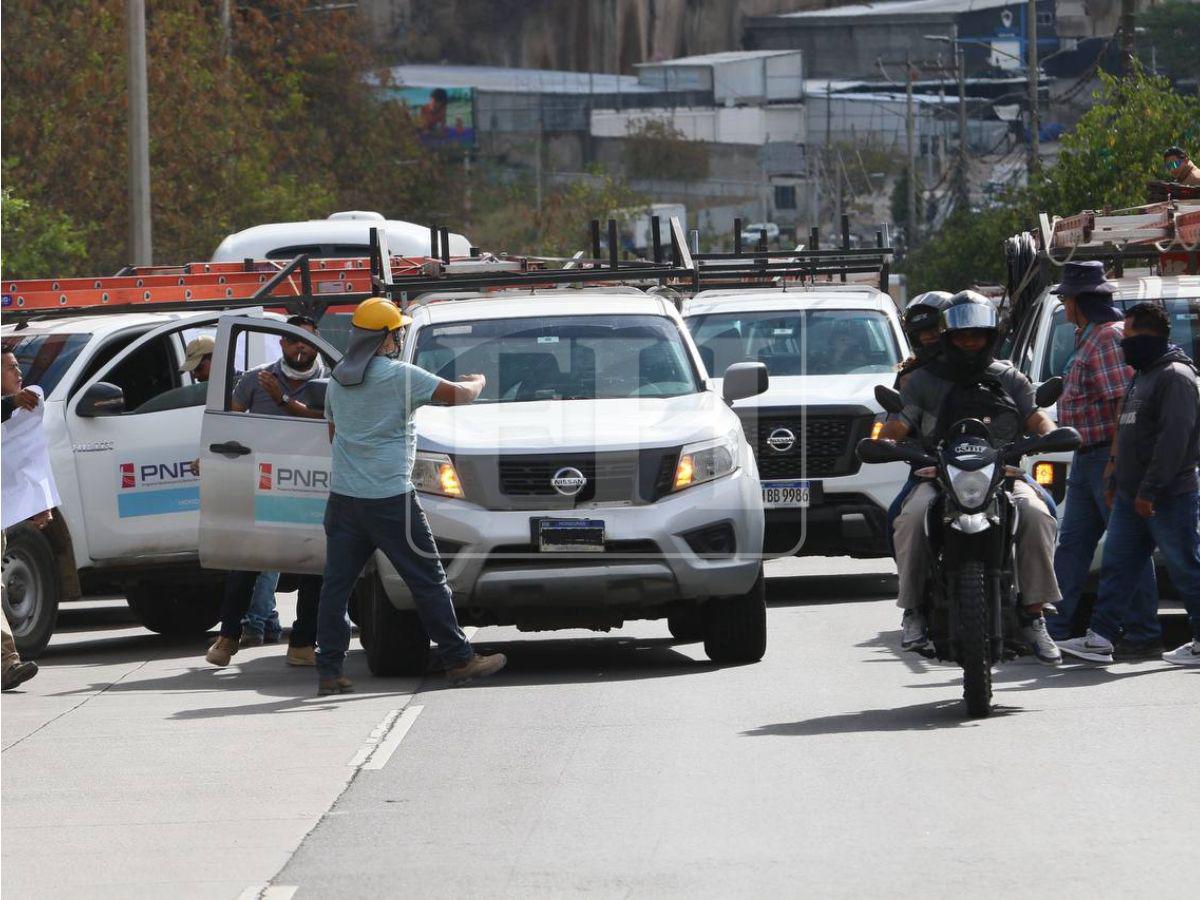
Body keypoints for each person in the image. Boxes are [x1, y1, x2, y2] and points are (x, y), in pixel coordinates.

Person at [316, 297, 505, 695]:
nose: (399, 339)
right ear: (385, 339)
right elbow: (457, 395)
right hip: (390, 499)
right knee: (428, 579)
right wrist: (479, 381)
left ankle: (330, 671)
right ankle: (458, 659)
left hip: (345, 500)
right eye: (397, 333)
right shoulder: (399, 375)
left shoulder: (337, 380)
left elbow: (335, 437)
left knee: (336, 587)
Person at [879, 292, 1063, 664]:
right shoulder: (922, 380)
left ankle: (1034, 613)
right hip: (937, 473)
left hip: (1003, 473)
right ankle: (913, 611)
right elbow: (899, 424)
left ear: (989, 337)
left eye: (976, 336)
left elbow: (1035, 415)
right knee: (909, 518)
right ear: (947, 336)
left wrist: (1051, 431)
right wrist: (883, 441)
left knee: (1039, 513)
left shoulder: (1008, 376)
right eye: (961, 337)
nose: (969, 343)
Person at [1058, 302, 1200, 666]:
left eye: (1130, 336)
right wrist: (1114, 472)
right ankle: (1101, 637)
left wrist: (1150, 490)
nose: (1123, 344)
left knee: (1186, 567)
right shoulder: (1143, 375)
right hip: (1129, 495)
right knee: (1119, 567)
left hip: (1167, 495)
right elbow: (1126, 427)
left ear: (1151, 335)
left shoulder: (1175, 376)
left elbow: (1174, 441)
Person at [1048, 262, 1161, 657]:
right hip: (1084, 459)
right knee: (1072, 546)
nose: (1062, 304)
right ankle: (1055, 631)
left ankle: (1144, 633)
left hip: (1105, 460)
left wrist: (1115, 465)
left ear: (1081, 301)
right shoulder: (1087, 335)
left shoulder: (1108, 339)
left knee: (1127, 547)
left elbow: (1121, 407)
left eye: (1066, 297)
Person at [206, 316, 329, 668]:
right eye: (294, 342)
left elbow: (335, 422)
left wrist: (285, 399)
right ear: (281, 344)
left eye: (308, 341)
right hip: (264, 487)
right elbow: (230, 422)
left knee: (313, 567)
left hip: (311, 487)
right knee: (245, 562)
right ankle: (228, 637)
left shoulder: (332, 382)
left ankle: (303, 643)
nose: (301, 348)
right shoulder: (255, 380)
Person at [2, 351, 52, 691]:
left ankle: (6, 663)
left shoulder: (19, 414)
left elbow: (29, 457)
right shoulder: (10, 408)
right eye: (10, 367)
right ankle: (6, 661)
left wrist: (40, 501)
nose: (19, 372)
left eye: (19, 366)